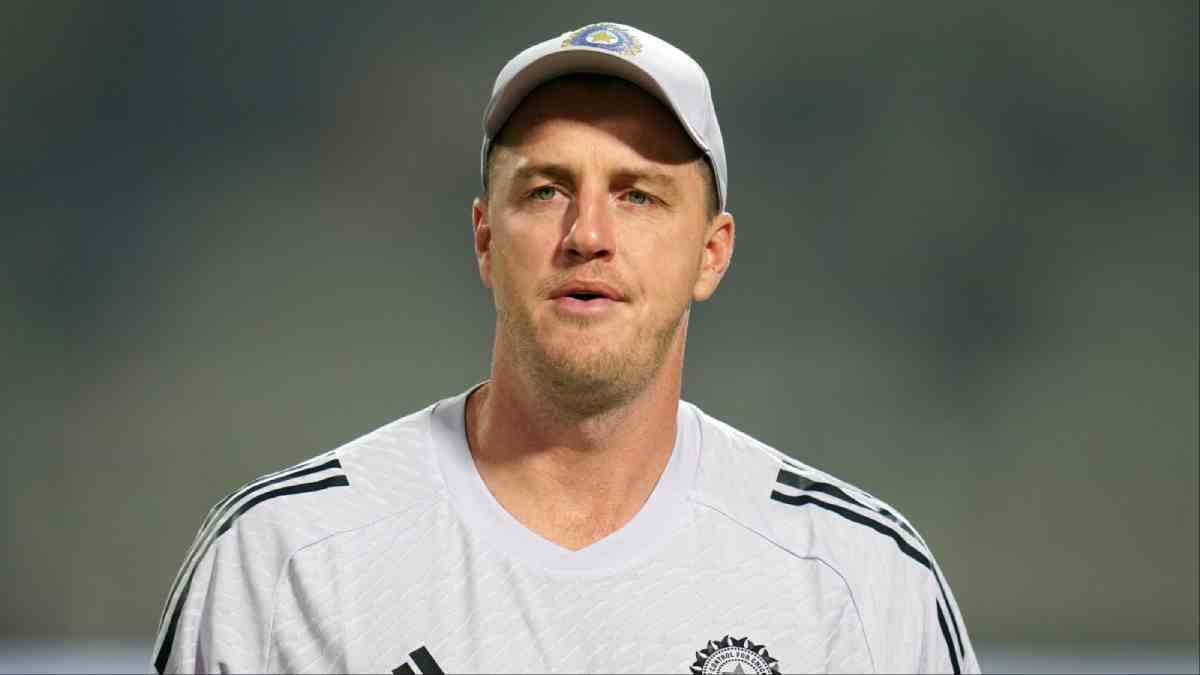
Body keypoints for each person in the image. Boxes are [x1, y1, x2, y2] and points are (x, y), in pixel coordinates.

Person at [153, 22, 978, 674]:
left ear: (711, 252)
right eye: (546, 190)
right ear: (485, 239)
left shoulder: (858, 581)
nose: (588, 234)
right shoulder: (282, 563)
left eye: (639, 194)